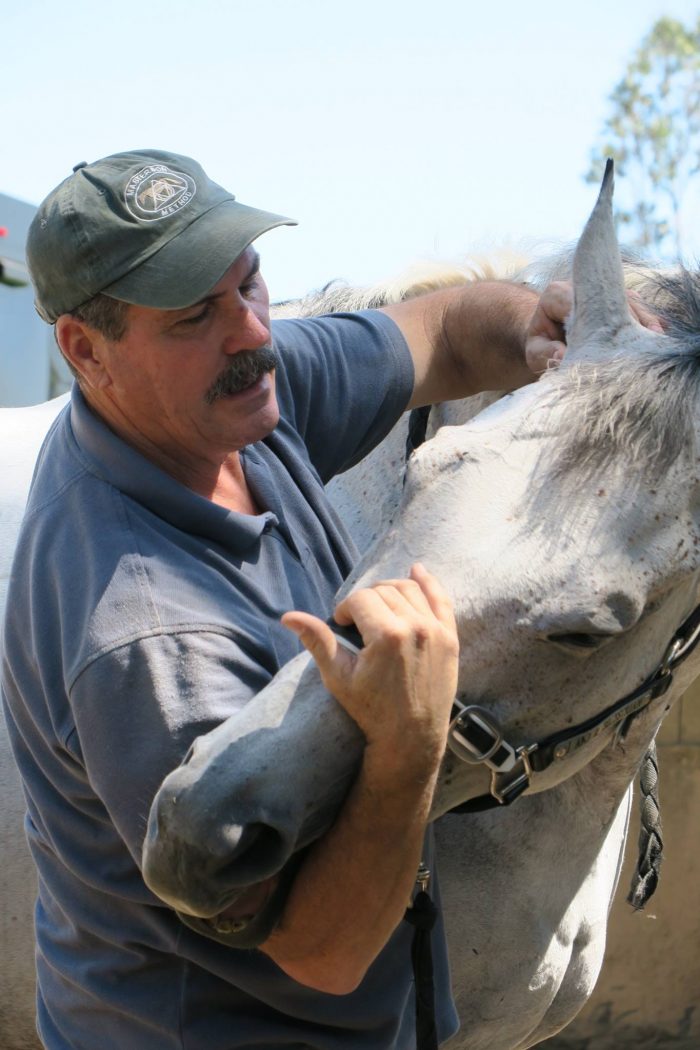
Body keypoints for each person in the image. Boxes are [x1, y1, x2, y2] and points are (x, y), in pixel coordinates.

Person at [2, 149, 572, 1050]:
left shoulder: (227, 397)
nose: (252, 330)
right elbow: (322, 951)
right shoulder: (148, 635)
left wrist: (539, 327)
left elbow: (442, 333)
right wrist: (412, 740)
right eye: (195, 312)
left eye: (251, 282)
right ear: (84, 350)